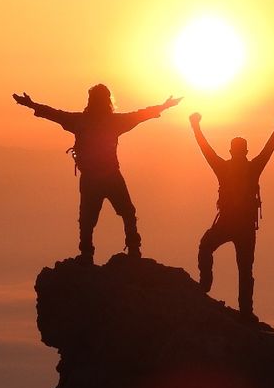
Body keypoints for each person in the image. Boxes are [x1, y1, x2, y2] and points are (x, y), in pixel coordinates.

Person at [12, 84, 181, 261]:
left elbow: (54, 113)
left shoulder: (80, 121)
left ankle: (87, 254)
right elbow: (140, 115)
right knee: (125, 213)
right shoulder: (113, 122)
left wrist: (30, 104)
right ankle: (132, 250)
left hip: (92, 178)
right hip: (111, 176)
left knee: (88, 219)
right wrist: (165, 106)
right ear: (108, 101)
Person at [191, 110, 274, 321]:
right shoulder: (252, 168)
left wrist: (195, 126)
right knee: (244, 268)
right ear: (244, 151)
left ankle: (206, 285)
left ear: (233, 151)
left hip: (229, 223)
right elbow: (269, 148)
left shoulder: (224, 167)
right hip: (243, 227)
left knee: (208, 246)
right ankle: (245, 310)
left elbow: (205, 149)